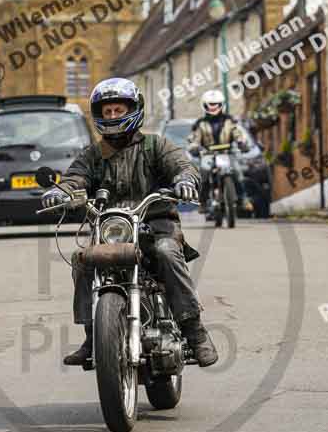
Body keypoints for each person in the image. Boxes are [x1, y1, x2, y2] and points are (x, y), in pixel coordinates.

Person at [41, 77, 218, 368]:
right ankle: (92, 335)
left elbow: (183, 166)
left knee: (166, 252)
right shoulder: (93, 155)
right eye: (107, 111)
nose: (113, 116)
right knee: (83, 260)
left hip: (156, 224)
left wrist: (185, 180)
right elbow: (75, 178)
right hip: (110, 230)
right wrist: (61, 191)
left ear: (133, 110)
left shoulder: (155, 145)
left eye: (118, 110)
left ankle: (195, 332)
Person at [189, 89, 253, 212]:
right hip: (208, 154)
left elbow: (237, 133)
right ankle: (203, 202)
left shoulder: (229, 120)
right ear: (204, 105)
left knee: (238, 171)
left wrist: (242, 142)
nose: (213, 107)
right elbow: (195, 138)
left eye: (216, 104)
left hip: (227, 153)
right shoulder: (200, 123)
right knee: (204, 173)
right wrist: (194, 147)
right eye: (210, 105)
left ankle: (244, 199)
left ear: (222, 105)